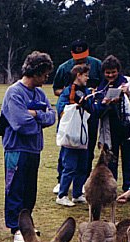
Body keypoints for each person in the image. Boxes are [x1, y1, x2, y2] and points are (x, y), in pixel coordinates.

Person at [1, 51, 55, 242]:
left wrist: (36, 115)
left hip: (34, 149)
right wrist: (38, 117)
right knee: (15, 188)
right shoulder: (14, 92)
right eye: (45, 74)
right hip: (16, 149)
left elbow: (52, 116)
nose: (47, 78)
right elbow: (20, 123)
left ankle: (26, 223)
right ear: (36, 72)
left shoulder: (40, 94)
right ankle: (16, 228)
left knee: (30, 190)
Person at [52, 40, 102, 193]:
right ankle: (62, 181)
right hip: (71, 116)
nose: (80, 59)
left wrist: (91, 92)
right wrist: (72, 94)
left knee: (87, 148)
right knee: (67, 149)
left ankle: (82, 183)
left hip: (87, 118)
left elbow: (104, 84)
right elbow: (56, 90)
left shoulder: (97, 64)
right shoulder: (64, 68)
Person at [97, 55, 130, 193]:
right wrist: (106, 102)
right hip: (110, 129)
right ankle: (111, 189)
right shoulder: (101, 86)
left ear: (118, 70)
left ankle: (129, 190)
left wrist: (128, 93)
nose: (110, 75)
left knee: (129, 161)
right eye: (107, 72)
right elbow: (97, 109)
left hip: (128, 128)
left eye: (113, 72)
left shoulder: (129, 82)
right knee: (111, 161)